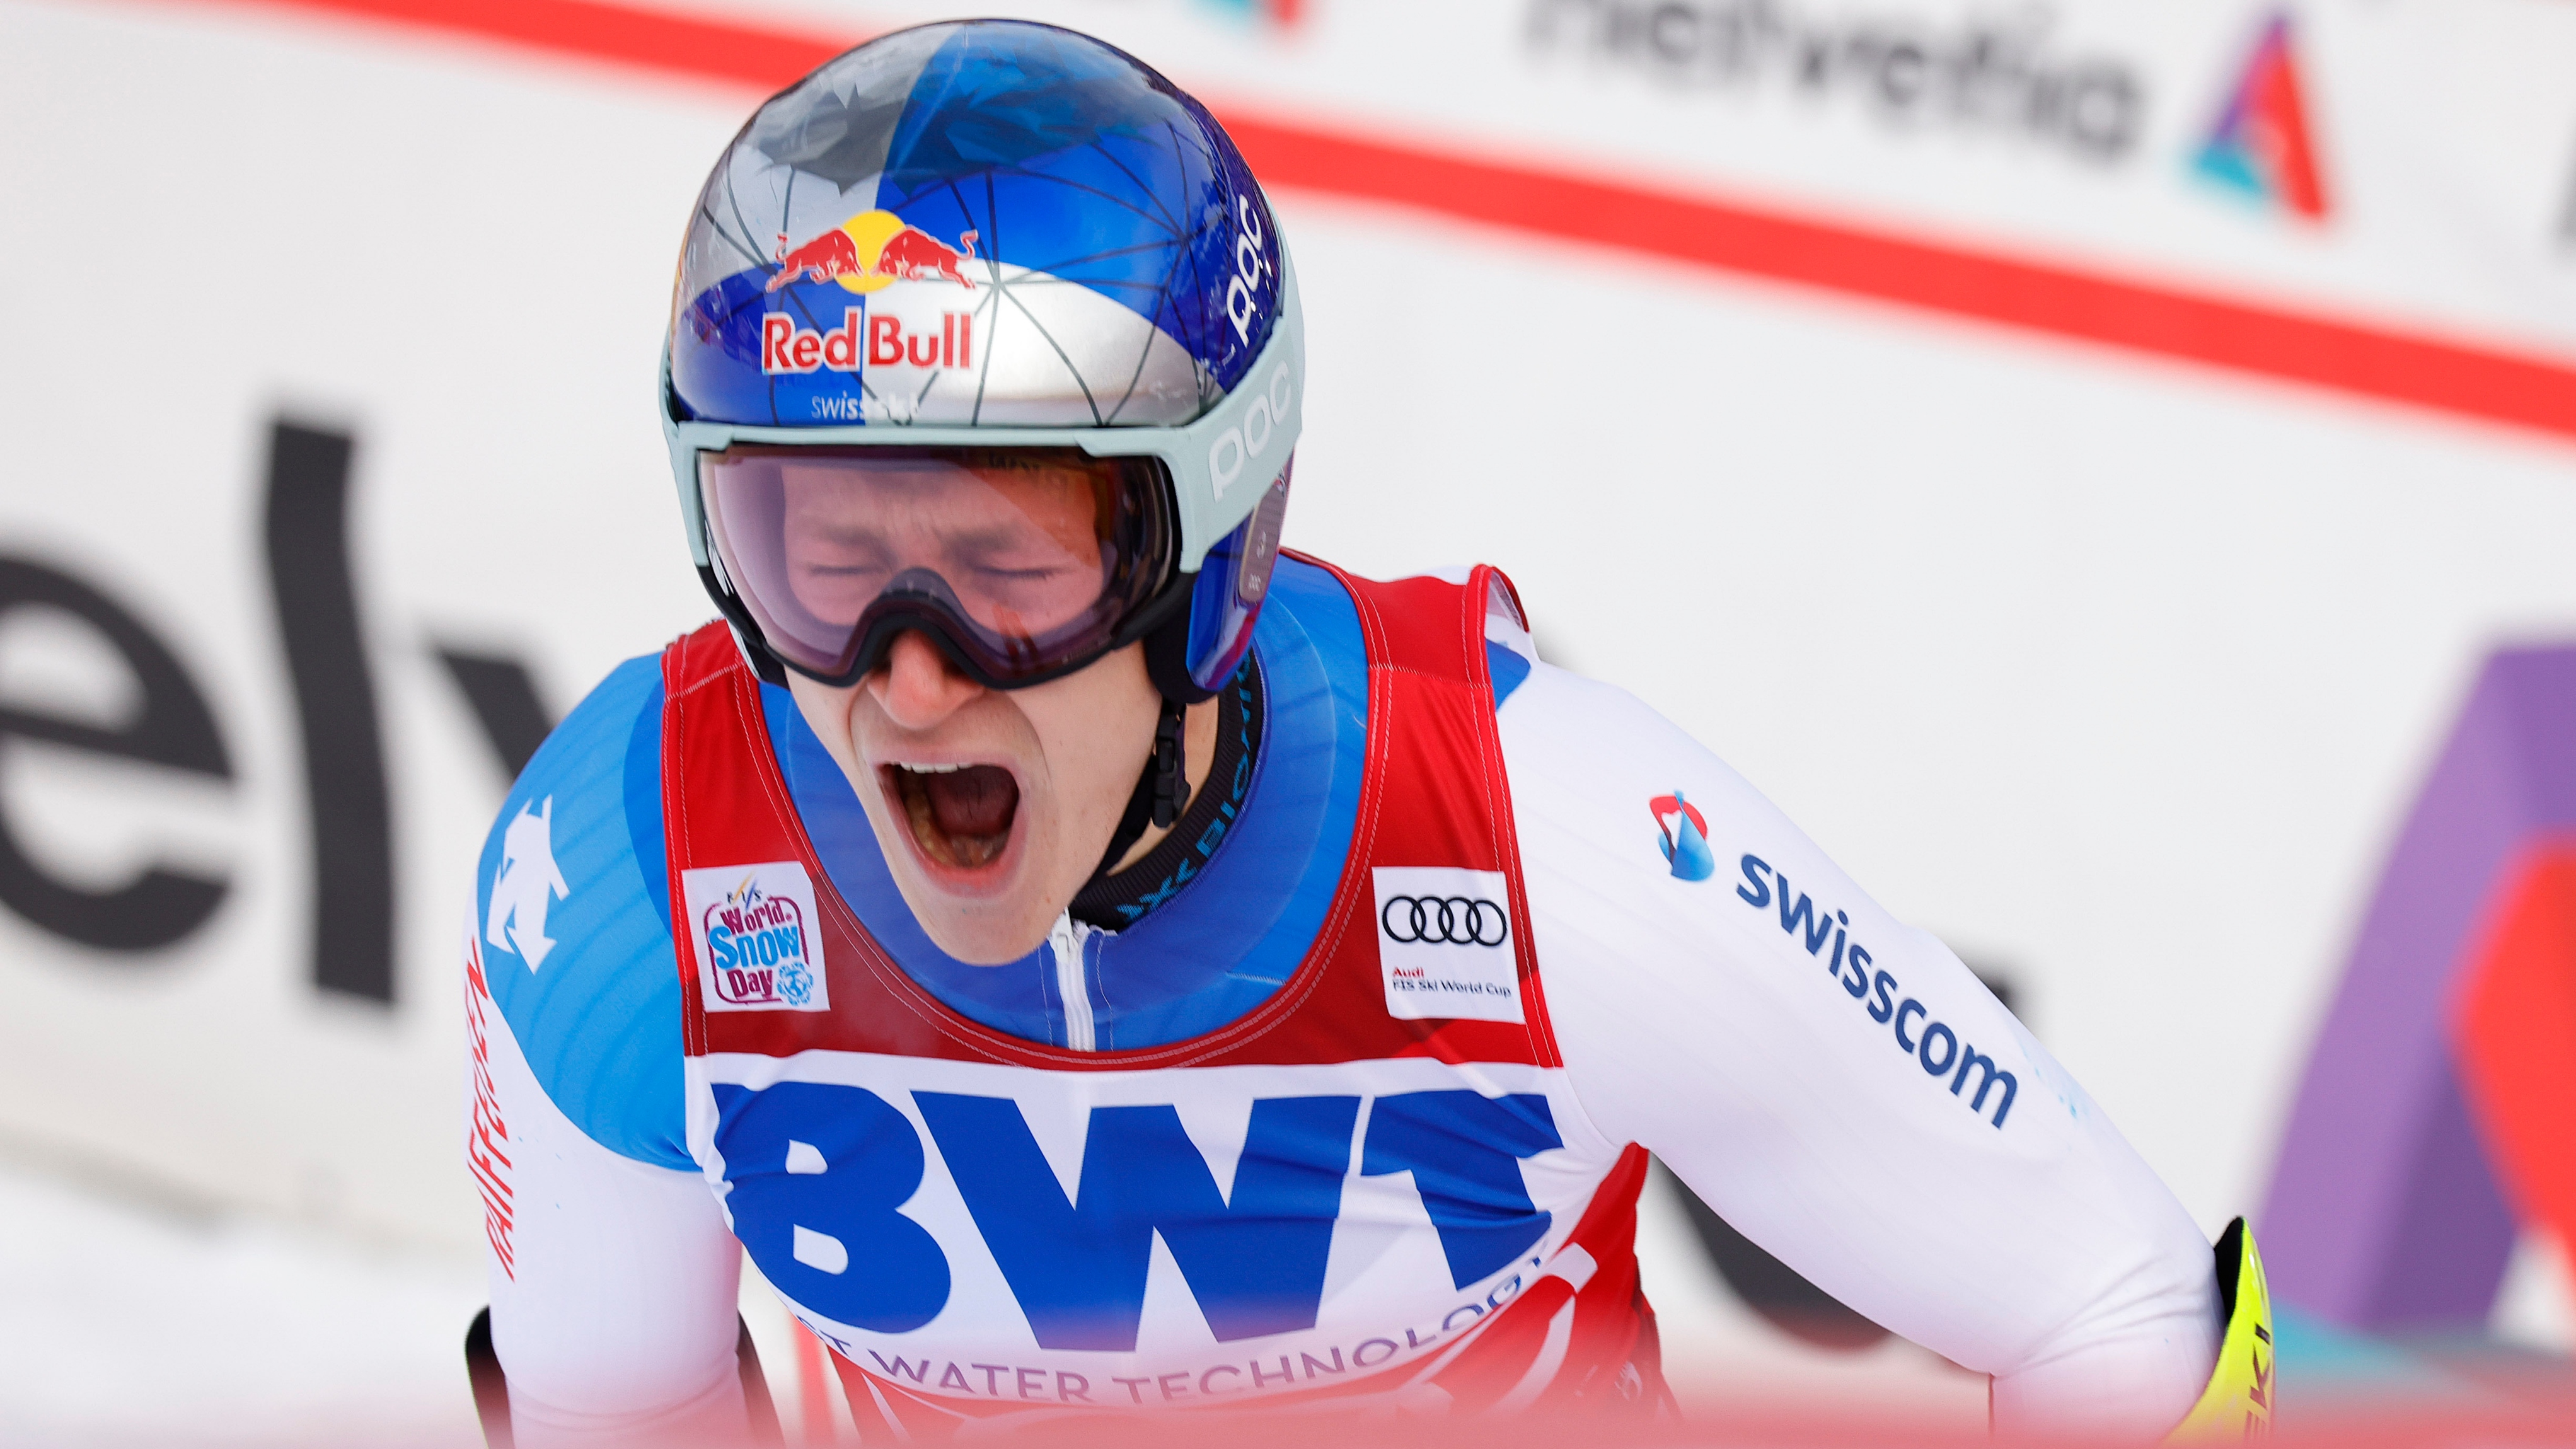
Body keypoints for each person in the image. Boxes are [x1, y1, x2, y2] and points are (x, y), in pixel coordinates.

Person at [465, 19, 2270, 1447]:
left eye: (1007, 573)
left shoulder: (1536, 836)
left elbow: (2106, 1300)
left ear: (1213, 553)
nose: (909, 676)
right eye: (823, 559)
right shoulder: (639, 863)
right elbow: (613, 1407)